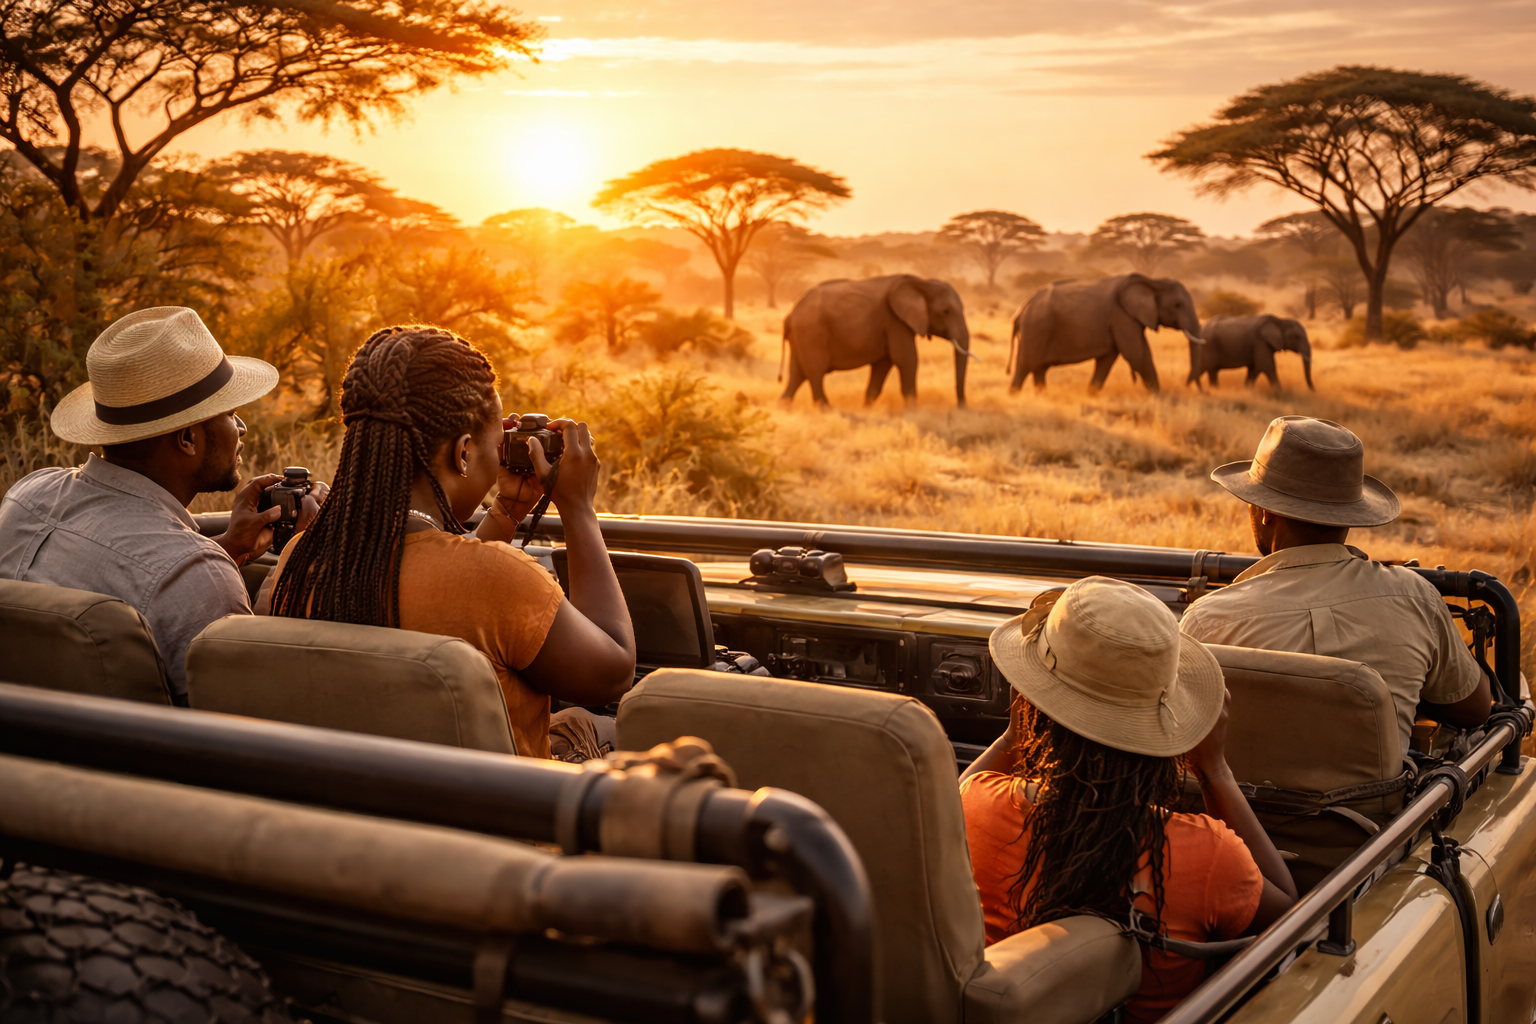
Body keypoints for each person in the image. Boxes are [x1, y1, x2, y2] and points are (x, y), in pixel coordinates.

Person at [264, 324, 635, 759]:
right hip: (496, 818)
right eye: (497, 446)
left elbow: (435, 579)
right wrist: (578, 509)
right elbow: (612, 672)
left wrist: (506, 512)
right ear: (462, 453)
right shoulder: (498, 579)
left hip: (360, 806)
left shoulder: (300, 559)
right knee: (609, 728)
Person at [961, 577, 1297, 1023]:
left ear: (1030, 706)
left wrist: (1015, 731)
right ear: (1170, 732)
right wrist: (1214, 770)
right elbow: (1294, 917)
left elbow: (958, 795)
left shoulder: (978, 804)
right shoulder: (1210, 855)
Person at [0, 306, 322, 701]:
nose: (242, 428)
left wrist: (228, 548)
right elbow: (252, 713)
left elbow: (135, 569)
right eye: (231, 414)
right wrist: (294, 565)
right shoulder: (197, 578)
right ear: (188, 439)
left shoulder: (26, 495)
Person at [1179, 416, 1489, 753]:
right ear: (1352, 513)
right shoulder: (1414, 595)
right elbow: (1473, 708)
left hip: (1243, 805)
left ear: (1264, 511)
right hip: (1382, 806)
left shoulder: (1207, 619)